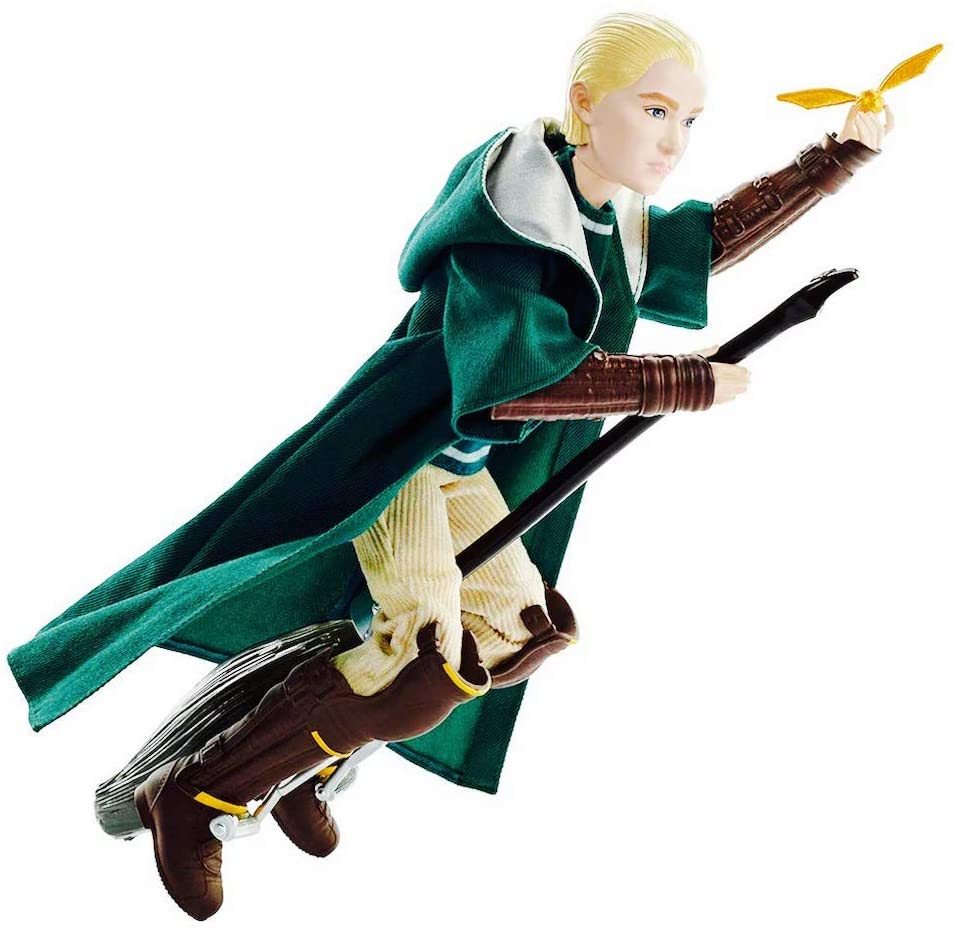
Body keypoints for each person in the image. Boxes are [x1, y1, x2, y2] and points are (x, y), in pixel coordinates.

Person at [8, 11, 885, 921]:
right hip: (399, 457)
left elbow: (701, 244)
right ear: (586, 103)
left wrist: (834, 159)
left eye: (690, 120)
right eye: (656, 111)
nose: (674, 142)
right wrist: (680, 381)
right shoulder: (513, 216)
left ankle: (306, 762)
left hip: (460, 469)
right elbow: (517, 376)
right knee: (419, 657)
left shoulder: (604, 213)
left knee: (514, 628)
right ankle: (198, 793)